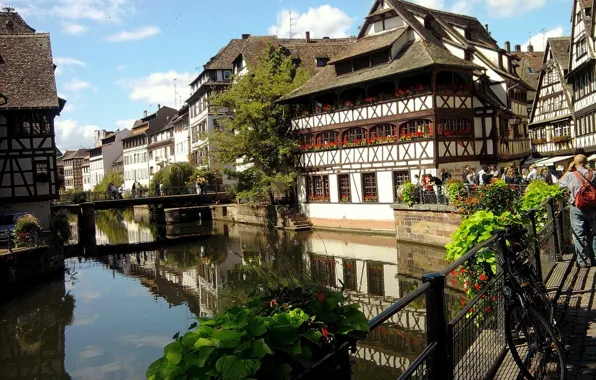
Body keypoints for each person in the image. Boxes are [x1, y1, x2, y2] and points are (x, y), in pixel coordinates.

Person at [559, 154, 596, 267]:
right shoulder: (594, 174)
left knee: (579, 234)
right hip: (593, 207)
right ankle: (594, 258)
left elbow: (559, 185)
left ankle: (583, 261)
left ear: (574, 163)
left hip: (577, 207)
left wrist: (568, 170)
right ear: (586, 162)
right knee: (593, 233)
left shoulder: (570, 175)